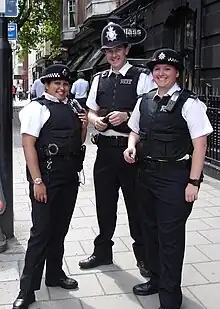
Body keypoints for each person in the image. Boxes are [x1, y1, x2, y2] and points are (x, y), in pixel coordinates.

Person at [124, 48, 213, 309]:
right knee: (148, 232)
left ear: (176, 73)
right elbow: (135, 131)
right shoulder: (144, 100)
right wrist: (131, 146)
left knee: (170, 239)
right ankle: (155, 278)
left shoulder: (191, 103)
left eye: (167, 69)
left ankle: (170, 298)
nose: (161, 73)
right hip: (146, 175)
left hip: (175, 178)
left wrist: (193, 182)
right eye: (157, 69)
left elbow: (200, 145)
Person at [78, 22, 155, 276]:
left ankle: (144, 256)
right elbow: (88, 110)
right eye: (108, 50)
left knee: (136, 205)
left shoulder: (141, 77)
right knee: (104, 204)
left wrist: (128, 114)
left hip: (131, 151)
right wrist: (94, 120)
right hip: (105, 152)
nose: (113, 55)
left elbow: (150, 111)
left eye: (118, 49)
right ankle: (103, 252)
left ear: (126, 49)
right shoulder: (98, 78)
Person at [13, 64, 88, 309]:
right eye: (57, 84)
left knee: (60, 230)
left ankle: (54, 274)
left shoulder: (72, 107)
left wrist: (84, 124)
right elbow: (28, 146)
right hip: (46, 178)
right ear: (46, 85)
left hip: (69, 177)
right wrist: (37, 181)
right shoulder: (37, 108)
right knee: (41, 232)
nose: (62, 88)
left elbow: (79, 140)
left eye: (65, 84)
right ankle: (27, 289)